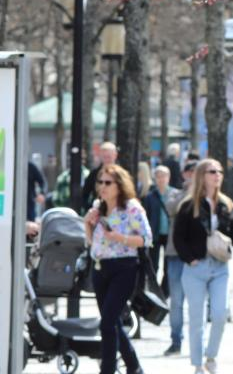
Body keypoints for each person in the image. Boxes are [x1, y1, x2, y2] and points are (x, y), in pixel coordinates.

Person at [173, 158, 233, 374]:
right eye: (212, 171)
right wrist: (190, 259)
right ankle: (198, 365)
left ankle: (211, 356)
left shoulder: (225, 204)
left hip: (219, 268)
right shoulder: (188, 206)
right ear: (201, 176)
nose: (217, 175)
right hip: (195, 269)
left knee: (219, 314)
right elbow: (178, 238)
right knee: (196, 319)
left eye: (220, 171)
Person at [83, 163, 152, 374]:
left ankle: (108, 370)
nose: (102, 187)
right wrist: (88, 225)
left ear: (119, 185)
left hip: (124, 269)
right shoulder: (98, 206)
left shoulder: (131, 207)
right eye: (100, 182)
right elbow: (91, 242)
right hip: (99, 268)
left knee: (107, 323)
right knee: (110, 320)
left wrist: (119, 238)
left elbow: (146, 239)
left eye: (107, 183)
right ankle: (133, 366)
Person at [163, 158, 195, 356]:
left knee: (197, 302)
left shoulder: (207, 195)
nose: (192, 174)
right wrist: (189, 191)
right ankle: (176, 339)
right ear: (184, 174)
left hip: (198, 257)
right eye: (189, 171)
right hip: (175, 255)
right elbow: (171, 208)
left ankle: (196, 343)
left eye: (196, 171)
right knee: (176, 301)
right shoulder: (176, 194)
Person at [143, 165, 175, 275]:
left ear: (169, 177)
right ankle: (154, 289)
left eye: (164, 176)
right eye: (158, 176)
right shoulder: (149, 197)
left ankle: (165, 290)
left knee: (168, 265)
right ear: (155, 178)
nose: (161, 179)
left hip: (170, 234)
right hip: (155, 234)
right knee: (153, 264)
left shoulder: (175, 194)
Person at [84, 141, 119, 212]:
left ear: (115, 155)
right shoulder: (94, 174)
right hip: (99, 211)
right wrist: (90, 208)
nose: (106, 160)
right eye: (104, 157)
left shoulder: (121, 174)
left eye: (108, 157)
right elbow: (84, 194)